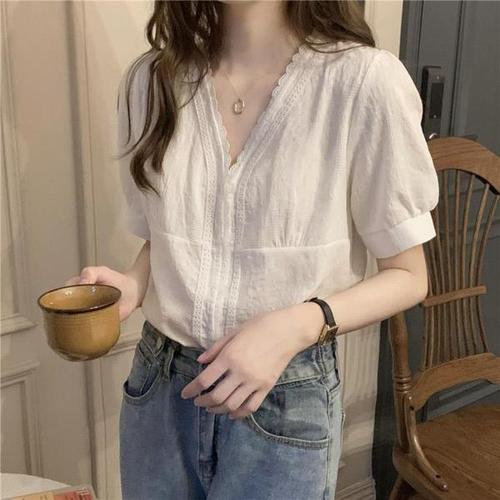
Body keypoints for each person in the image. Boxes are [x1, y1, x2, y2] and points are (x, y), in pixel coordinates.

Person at [65, 1, 440, 498]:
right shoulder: (152, 81)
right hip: (160, 389)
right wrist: (133, 284)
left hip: (285, 396)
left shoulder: (362, 82)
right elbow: (169, 234)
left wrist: (293, 326)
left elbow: (409, 276)